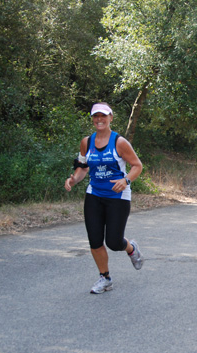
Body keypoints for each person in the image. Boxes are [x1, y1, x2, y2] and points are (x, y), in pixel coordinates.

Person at [64, 102, 144, 294]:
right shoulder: (86, 142)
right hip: (94, 195)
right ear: (92, 119)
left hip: (118, 196)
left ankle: (131, 248)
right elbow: (83, 167)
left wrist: (126, 181)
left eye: (103, 116)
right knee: (95, 240)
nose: (99, 120)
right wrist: (74, 179)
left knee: (114, 242)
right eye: (95, 116)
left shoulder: (120, 142)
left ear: (110, 118)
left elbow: (137, 166)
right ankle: (105, 278)